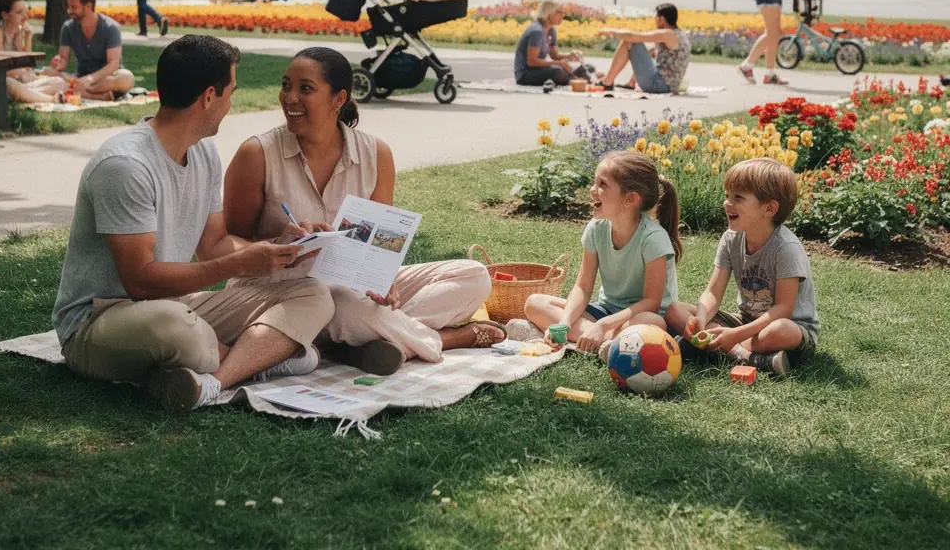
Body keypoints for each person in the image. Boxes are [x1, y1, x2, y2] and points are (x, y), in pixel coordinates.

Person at [51, 36, 334, 411]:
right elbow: (140, 281)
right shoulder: (125, 165)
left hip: (174, 305)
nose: (230, 105)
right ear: (209, 97)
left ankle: (214, 382)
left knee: (313, 294)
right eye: (231, 93)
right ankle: (262, 359)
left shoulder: (203, 152)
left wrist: (280, 248)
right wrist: (235, 266)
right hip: (99, 320)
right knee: (177, 327)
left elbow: (215, 245)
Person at [222, 47, 499, 375]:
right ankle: (441, 339)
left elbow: (379, 243)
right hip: (282, 293)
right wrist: (278, 245)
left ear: (338, 99)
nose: (289, 97)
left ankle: (358, 338)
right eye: (286, 86)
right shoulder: (256, 154)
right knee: (346, 305)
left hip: (350, 287)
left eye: (305, 88)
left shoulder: (376, 154)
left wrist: (382, 279)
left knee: (473, 276)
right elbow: (226, 244)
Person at [665, 158, 819, 378]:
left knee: (780, 330)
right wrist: (701, 318)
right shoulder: (731, 239)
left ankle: (711, 348)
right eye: (727, 195)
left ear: (769, 208)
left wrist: (735, 334)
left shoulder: (786, 248)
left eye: (738, 197)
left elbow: (783, 310)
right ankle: (748, 357)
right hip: (747, 321)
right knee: (674, 310)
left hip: (789, 329)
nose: (727, 203)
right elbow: (713, 293)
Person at [523, 152, 680, 353]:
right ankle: (609, 342)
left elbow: (651, 303)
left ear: (630, 199)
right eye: (595, 182)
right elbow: (583, 287)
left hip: (642, 317)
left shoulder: (653, 239)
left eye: (602, 184)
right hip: (605, 311)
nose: (592, 190)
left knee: (652, 322)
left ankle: (597, 338)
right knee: (534, 303)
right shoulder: (596, 228)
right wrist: (565, 322)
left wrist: (603, 325)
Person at [0, 0, 68, 105]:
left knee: (59, 82)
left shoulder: (17, 31)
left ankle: (24, 95)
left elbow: (28, 66)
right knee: (9, 84)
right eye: (19, 12)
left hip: (13, 85)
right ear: (5, 15)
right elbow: (3, 70)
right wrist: (24, 74)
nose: (25, 16)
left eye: (25, 11)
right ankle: (51, 99)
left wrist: (27, 38)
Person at [44, 0, 136, 100]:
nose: (69, 11)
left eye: (74, 7)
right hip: (81, 78)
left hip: (106, 79)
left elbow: (113, 64)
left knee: (127, 78)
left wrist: (90, 79)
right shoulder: (68, 28)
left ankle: (82, 92)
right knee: (48, 72)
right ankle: (100, 96)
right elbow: (63, 59)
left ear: (88, 6)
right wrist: (58, 63)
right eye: (69, 7)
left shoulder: (110, 28)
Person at [598, 2, 690, 95]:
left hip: (658, 84)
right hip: (668, 85)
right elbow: (649, 51)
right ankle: (631, 82)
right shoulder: (680, 35)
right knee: (647, 49)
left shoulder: (667, 34)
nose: (654, 20)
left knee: (629, 42)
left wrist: (610, 31)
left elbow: (633, 37)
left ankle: (607, 82)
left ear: (661, 19)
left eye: (656, 17)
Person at [513, 0, 582, 87]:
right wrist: (559, 63)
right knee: (558, 72)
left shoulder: (551, 30)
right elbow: (532, 62)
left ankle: (576, 79)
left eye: (563, 12)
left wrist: (570, 56)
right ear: (547, 13)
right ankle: (577, 80)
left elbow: (554, 55)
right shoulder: (537, 31)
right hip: (525, 74)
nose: (563, 15)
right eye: (558, 12)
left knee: (585, 68)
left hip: (541, 70)